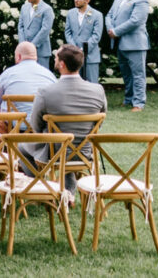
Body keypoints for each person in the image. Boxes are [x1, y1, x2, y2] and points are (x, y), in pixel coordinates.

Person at [20, 45, 107, 194]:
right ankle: (68, 187)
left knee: (21, 147)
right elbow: (99, 123)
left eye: (56, 57)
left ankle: (42, 188)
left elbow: (35, 126)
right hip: (85, 153)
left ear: (62, 64)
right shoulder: (98, 90)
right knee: (65, 145)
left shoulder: (46, 92)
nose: (54, 59)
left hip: (55, 154)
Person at [105, 0, 150, 111]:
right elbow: (109, 15)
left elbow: (136, 21)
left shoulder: (141, 1)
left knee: (138, 75)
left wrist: (116, 31)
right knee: (126, 75)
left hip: (135, 44)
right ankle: (128, 99)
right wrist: (110, 29)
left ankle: (139, 103)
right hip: (120, 43)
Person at [0, 41, 56, 115]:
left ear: (18, 56)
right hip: (43, 124)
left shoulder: (8, 74)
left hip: (12, 124)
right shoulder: (49, 75)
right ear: (36, 56)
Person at [64, 0, 104, 83]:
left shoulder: (97, 15)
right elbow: (68, 32)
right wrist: (74, 49)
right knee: (75, 84)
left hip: (90, 56)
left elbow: (96, 36)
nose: (76, 0)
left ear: (87, 0)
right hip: (74, 55)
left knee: (91, 84)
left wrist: (84, 50)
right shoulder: (70, 13)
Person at [18, 0, 55, 69]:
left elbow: (45, 29)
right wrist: (23, 44)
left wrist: (32, 46)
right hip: (24, 51)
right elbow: (20, 26)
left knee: (41, 79)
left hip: (41, 51)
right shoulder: (24, 7)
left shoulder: (47, 9)